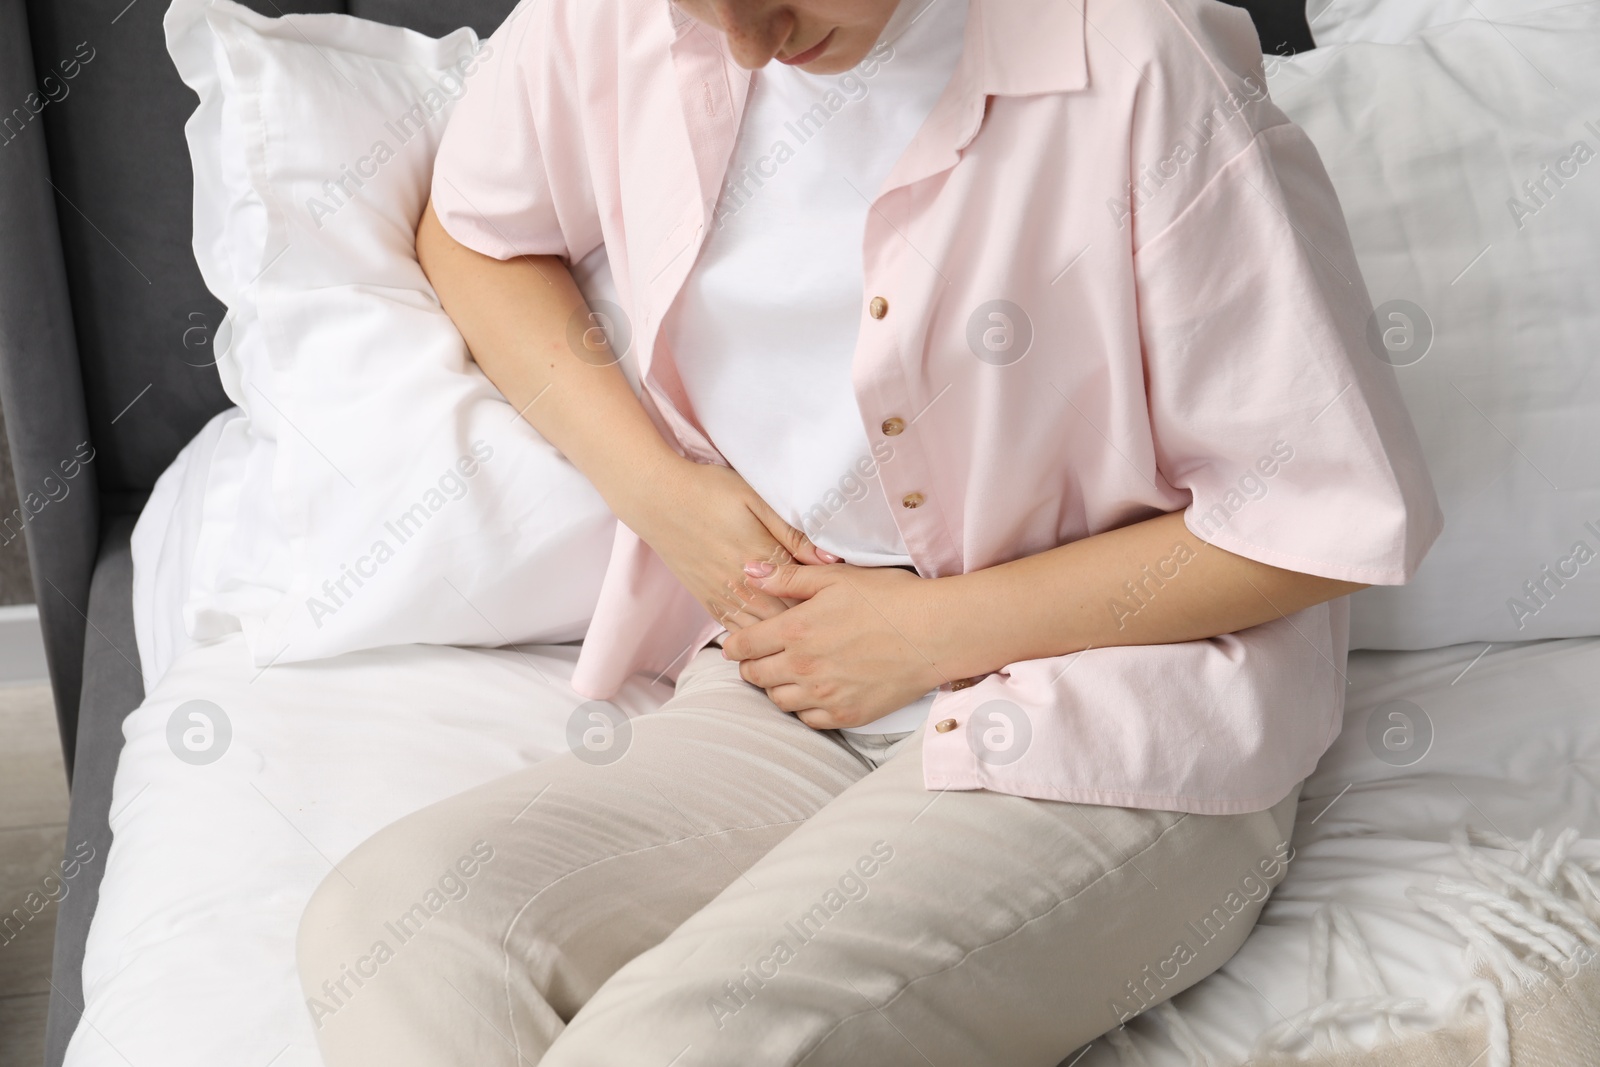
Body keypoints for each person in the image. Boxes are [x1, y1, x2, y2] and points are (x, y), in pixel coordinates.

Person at [297, 0, 1443, 1063]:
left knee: (680, 1040)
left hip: (1117, 706)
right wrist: (661, 493)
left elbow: (1319, 516)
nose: (748, 42)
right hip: (786, 679)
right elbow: (479, 235)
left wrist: (927, 632)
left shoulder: (1138, 59)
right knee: (394, 920)